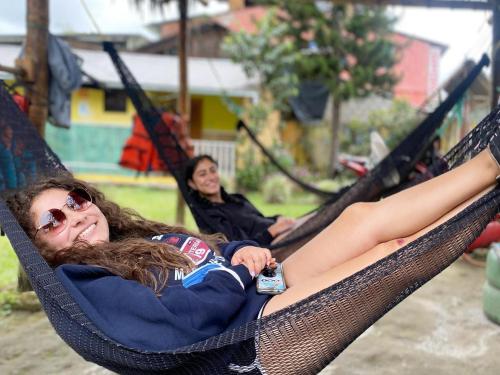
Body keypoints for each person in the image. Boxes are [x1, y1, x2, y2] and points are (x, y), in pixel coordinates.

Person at [5, 138, 500, 353]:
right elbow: (179, 321)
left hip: (264, 285)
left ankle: (490, 167)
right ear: (40, 248)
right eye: (53, 219)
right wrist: (238, 271)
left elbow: (213, 256)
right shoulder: (81, 279)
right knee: (391, 253)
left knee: (359, 216)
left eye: (76, 199)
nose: (76, 214)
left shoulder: (138, 239)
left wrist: (239, 254)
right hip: (253, 333)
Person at [184, 154, 296, 246]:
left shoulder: (237, 198)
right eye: (202, 174)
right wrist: (273, 231)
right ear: (192, 184)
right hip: (272, 246)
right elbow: (240, 247)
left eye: (213, 170)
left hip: (282, 232)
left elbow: (259, 220)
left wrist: (278, 218)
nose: (211, 177)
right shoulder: (210, 215)